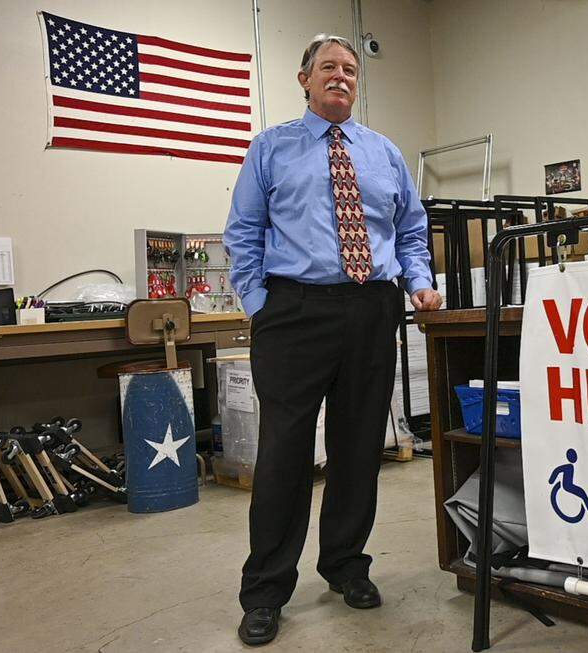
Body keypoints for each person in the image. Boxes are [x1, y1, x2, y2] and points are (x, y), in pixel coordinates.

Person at [224, 33, 442, 646]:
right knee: (285, 456)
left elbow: (411, 232)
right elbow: (242, 232)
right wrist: (262, 305)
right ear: (304, 79)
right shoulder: (271, 150)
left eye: (350, 69)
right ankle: (265, 590)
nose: (341, 76)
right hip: (293, 313)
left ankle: (345, 565)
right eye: (328, 68)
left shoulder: (384, 153)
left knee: (358, 448)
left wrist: (419, 285)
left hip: (372, 311)